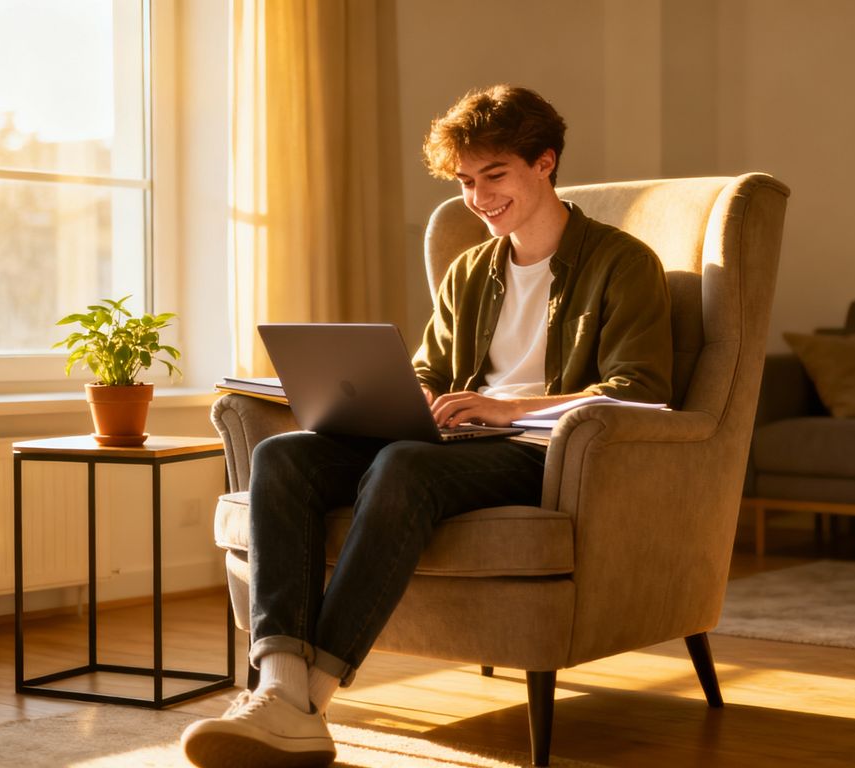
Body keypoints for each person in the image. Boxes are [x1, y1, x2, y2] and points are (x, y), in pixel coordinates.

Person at [181, 84, 672, 768]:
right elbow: (433, 371)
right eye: (467, 181)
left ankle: (311, 699)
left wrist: (509, 409)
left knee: (402, 466)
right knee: (284, 457)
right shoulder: (470, 269)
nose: (478, 197)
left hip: (539, 450)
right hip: (453, 439)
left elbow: (639, 390)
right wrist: (397, 397)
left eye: (494, 175)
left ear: (546, 162)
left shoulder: (623, 264)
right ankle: (279, 687)